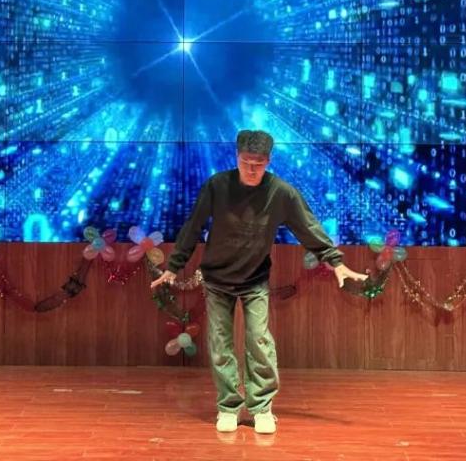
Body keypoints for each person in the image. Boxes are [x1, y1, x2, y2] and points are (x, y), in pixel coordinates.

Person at [151, 129, 368, 435]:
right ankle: (228, 406)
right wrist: (174, 266)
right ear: (236, 158)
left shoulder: (281, 193)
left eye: (259, 164)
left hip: (254, 279)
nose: (251, 170)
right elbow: (193, 225)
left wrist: (335, 261)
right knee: (220, 344)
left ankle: (262, 407)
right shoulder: (217, 185)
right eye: (246, 162)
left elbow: (307, 227)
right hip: (217, 277)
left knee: (259, 340)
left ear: (268, 161)